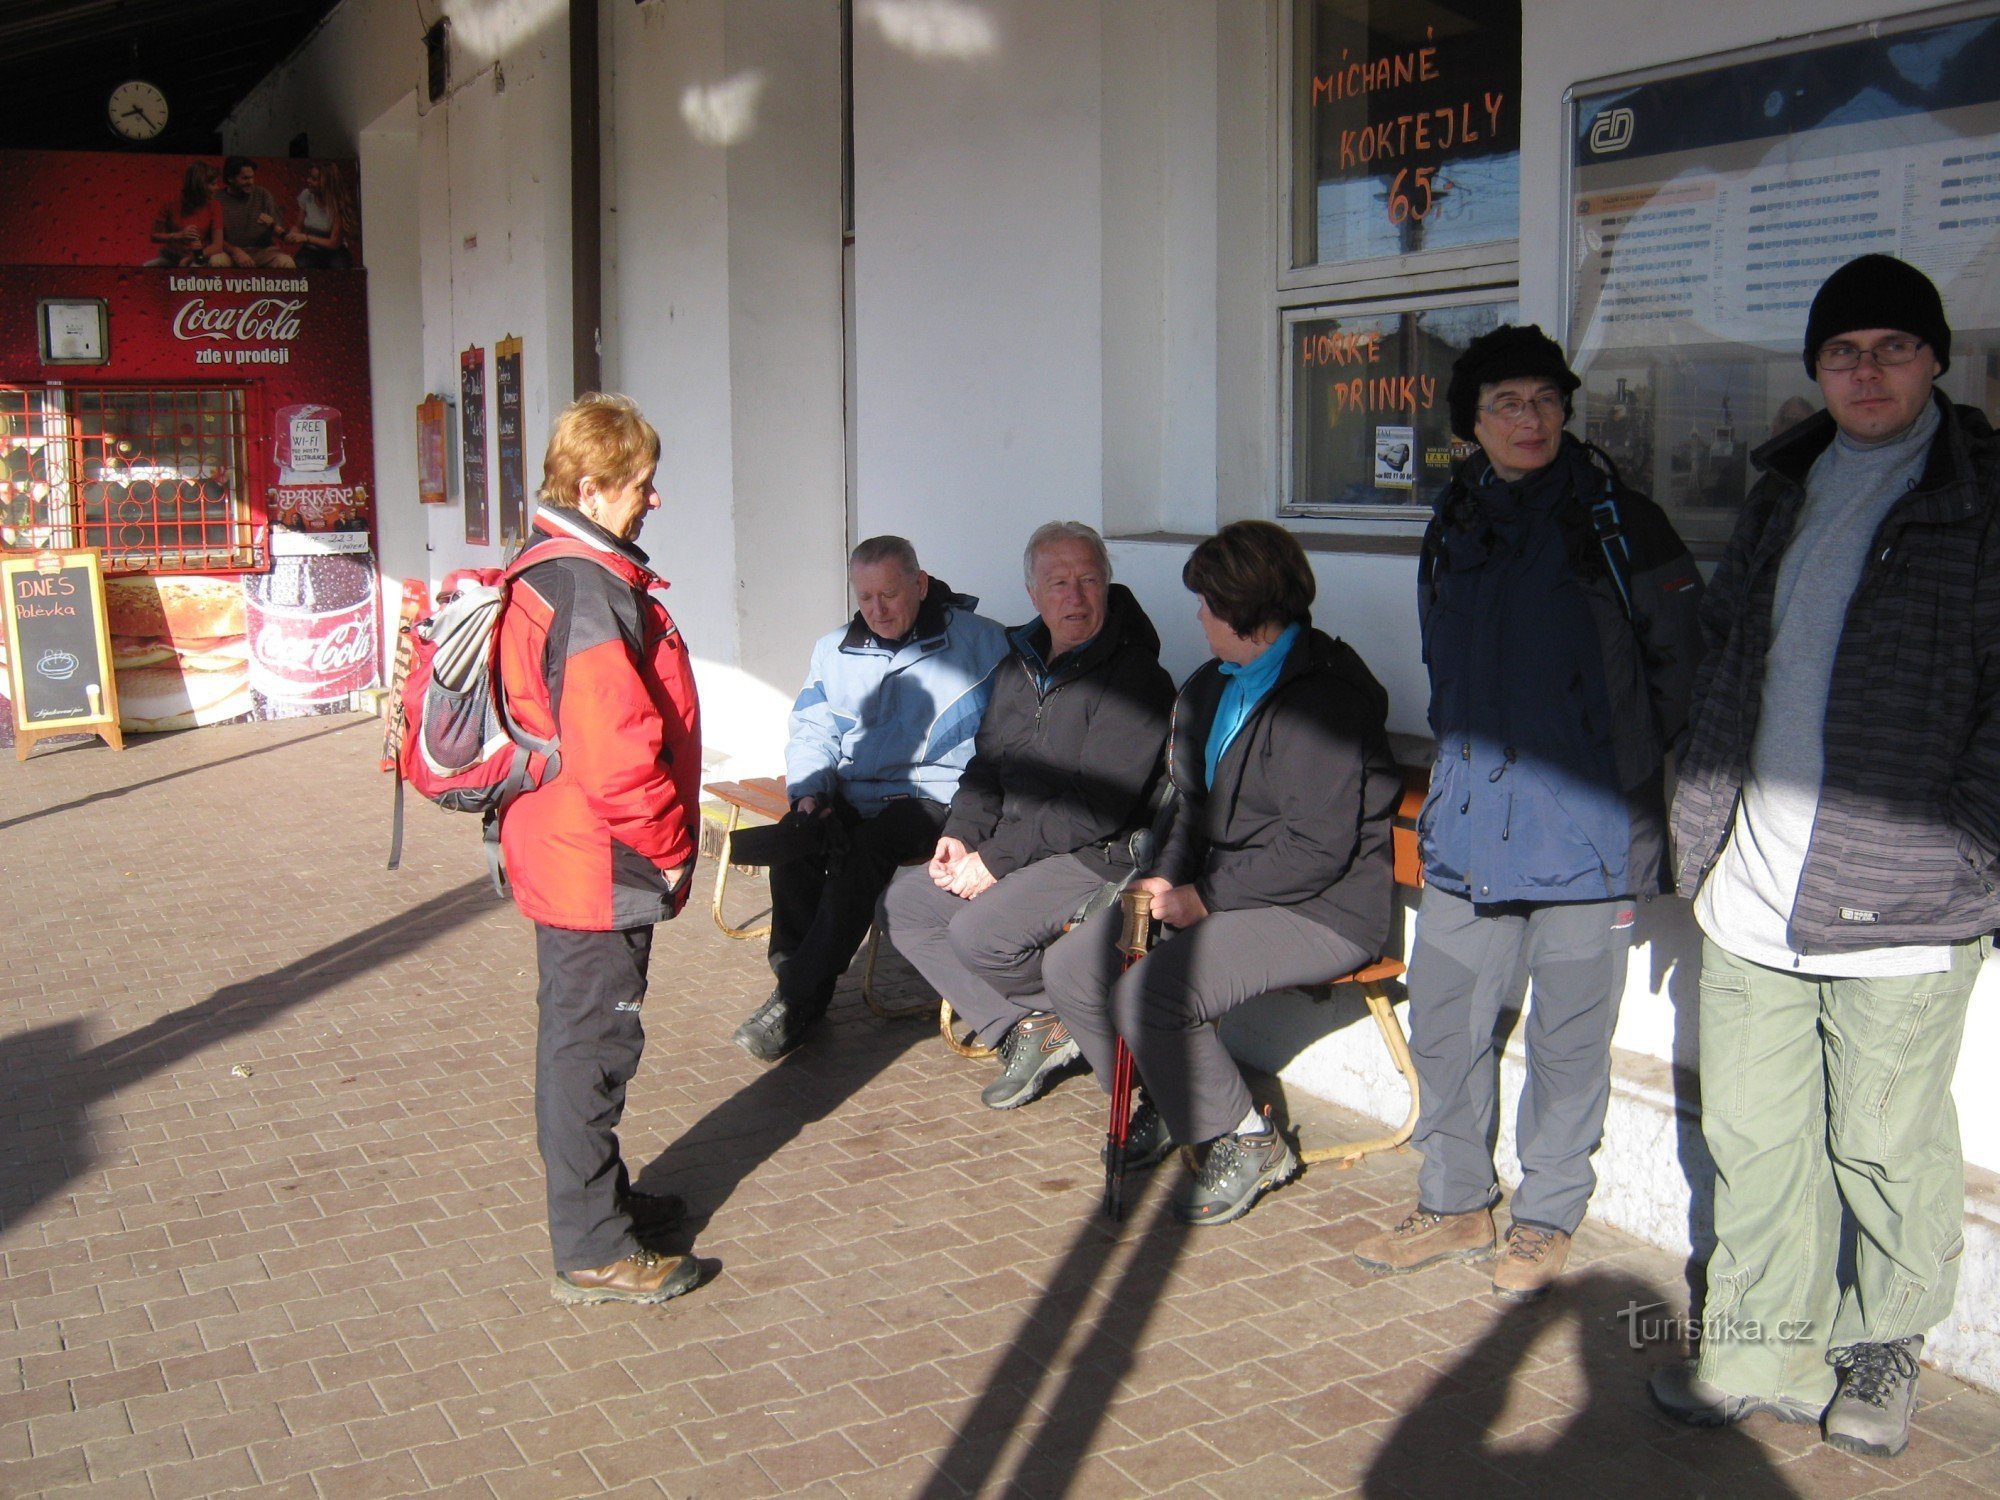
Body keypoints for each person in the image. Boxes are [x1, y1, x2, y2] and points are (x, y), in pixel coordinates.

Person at [1648, 255, 2000, 1458]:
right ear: (1813, 369)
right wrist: (1697, 836)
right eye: (1841, 352)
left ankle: (1879, 1343)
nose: (1865, 370)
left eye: (1891, 348)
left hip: (1904, 896)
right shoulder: (1781, 491)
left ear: (1935, 362)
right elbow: (1723, 668)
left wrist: (1967, 849)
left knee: (1883, 1144)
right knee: (1750, 1133)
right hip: (1754, 884)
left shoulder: (1982, 497)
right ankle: (1757, 1344)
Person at [1351, 324, 1704, 1299]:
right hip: (1469, 830)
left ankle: (1545, 1215)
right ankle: (1455, 1200)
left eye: (1544, 400)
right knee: (1445, 1023)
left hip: (1585, 840)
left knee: (1566, 1038)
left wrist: (1610, 764)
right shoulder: (1454, 524)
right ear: (1470, 423)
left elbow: (1682, 667)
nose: (1528, 418)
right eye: (1505, 402)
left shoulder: (1618, 522)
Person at [1042, 521, 1399, 1225]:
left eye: (1206, 601)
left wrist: (1203, 897)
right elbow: (1189, 810)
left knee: (1152, 994)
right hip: (1227, 889)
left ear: (1245, 610)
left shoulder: (1325, 700)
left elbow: (1316, 850)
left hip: (1322, 908)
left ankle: (1248, 1140)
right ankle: (1171, 1099)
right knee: (1074, 966)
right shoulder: (1211, 687)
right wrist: (1162, 880)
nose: (1196, 613)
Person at [496, 393, 703, 1307]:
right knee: (593, 1046)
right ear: (591, 486)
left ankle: (602, 1202)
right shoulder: (587, 587)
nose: (652, 501)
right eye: (641, 485)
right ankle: (592, 1245)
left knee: (583, 1038)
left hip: (570, 845)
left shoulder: (554, 569)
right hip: (601, 858)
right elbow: (618, 754)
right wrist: (668, 850)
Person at [878, 521, 1174, 1107]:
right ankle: (1025, 1026)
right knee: (904, 905)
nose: (1075, 596)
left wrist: (996, 860)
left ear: (1108, 587)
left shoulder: (1136, 678)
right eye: (1058, 582)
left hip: (1098, 854)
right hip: (1022, 843)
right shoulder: (1021, 666)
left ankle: (1095, 1019)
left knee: (979, 935)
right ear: (1033, 593)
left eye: (1089, 580)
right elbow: (987, 766)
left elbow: (1098, 806)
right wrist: (961, 836)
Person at [730, 535, 1009, 1062]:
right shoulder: (833, 649)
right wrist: (810, 793)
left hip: (932, 797)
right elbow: (812, 729)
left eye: (890, 594)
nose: (876, 610)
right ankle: (796, 975)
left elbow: (1006, 737)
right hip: (853, 788)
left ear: (920, 585)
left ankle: (794, 1001)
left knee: (864, 855)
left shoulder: (982, 644)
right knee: (798, 842)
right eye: (864, 598)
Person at [217, 157, 296, 270]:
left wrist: (272, 225)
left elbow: (282, 233)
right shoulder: (217, 200)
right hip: (231, 252)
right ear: (230, 178)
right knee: (217, 260)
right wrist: (235, 251)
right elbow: (213, 237)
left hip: (263, 251)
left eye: (252, 177)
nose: (251, 182)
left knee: (286, 262)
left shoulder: (263, 195)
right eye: (245, 178)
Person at [146, 162, 225, 268]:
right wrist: (178, 235)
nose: (217, 188)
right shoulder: (170, 200)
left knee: (194, 271)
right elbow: (154, 236)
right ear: (199, 185)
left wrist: (192, 257)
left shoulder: (215, 205)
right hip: (169, 256)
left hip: (197, 257)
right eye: (213, 184)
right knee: (147, 267)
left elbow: (217, 246)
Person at [285, 162, 356, 270]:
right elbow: (298, 226)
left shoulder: (338, 204)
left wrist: (306, 238)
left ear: (326, 183)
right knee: (301, 264)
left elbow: (334, 243)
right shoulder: (306, 195)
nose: (308, 180)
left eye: (314, 179)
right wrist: (292, 234)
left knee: (339, 267)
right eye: (309, 177)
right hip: (310, 249)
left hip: (335, 251)